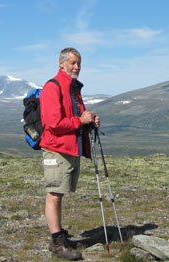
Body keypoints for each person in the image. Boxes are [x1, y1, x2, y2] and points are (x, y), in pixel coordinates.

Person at [39, 47, 99, 260]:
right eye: (72, 63)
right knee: (54, 194)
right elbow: (53, 123)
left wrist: (89, 121)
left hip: (69, 148)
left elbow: (76, 117)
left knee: (59, 194)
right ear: (61, 63)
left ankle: (60, 238)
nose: (76, 67)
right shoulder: (52, 87)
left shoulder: (73, 89)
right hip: (57, 150)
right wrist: (80, 121)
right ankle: (57, 245)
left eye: (79, 63)